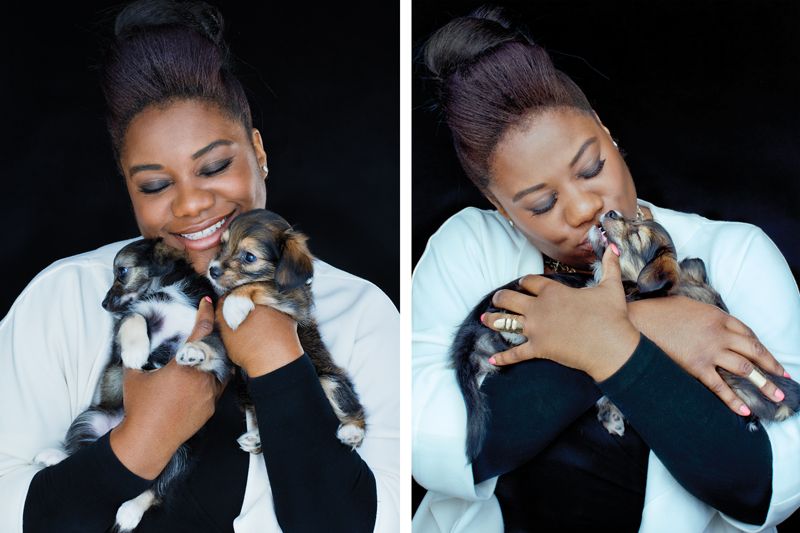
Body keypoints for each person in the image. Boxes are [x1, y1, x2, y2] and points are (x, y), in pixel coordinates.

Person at [0, 1, 399, 532]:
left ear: (258, 151)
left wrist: (279, 363)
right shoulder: (64, 299)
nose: (190, 205)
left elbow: (383, 521)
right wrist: (135, 447)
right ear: (129, 190)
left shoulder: (362, 312)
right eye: (155, 185)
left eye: (214, 167)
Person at [412, 6, 800, 533]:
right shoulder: (468, 247)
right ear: (499, 206)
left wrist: (598, 340)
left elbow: (770, 483)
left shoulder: (737, 254)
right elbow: (431, 446)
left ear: (607, 133)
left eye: (591, 168)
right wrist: (638, 328)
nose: (581, 210)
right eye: (540, 204)